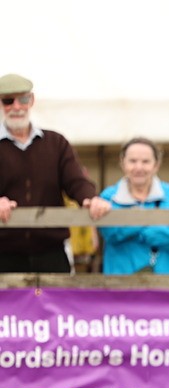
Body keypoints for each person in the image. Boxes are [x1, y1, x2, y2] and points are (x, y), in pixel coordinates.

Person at [0, 73, 110, 272]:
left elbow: (76, 180)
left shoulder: (56, 142)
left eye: (23, 99)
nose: (17, 107)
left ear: (31, 100)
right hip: (4, 253)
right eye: (8, 101)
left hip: (51, 252)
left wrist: (90, 198)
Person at [98, 137, 169, 275]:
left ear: (156, 164)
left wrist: (133, 224)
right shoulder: (108, 196)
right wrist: (154, 220)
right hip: (121, 283)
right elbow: (111, 233)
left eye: (145, 161)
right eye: (132, 161)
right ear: (122, 163)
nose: (138, 167)